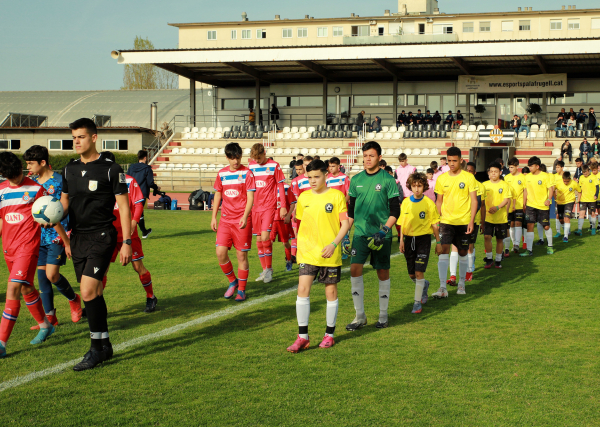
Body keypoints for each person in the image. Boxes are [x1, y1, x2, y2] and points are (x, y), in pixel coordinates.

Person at [60, 118, 132, 371]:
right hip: (78, 238)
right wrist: (51, 217)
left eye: (80, 136)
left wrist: (127, 242)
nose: (76, 141)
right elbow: (64, 203)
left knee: (88, 291)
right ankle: (105, 345)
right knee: (95, 292)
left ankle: (94, 350)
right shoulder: (68, 169)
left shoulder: (111, 169)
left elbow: (124, 208)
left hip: (102, 236)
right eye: (73, 137)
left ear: (93, 137)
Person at [0, 152, 62, 358]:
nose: (15, 178)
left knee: (13, 289)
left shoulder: (36, 189)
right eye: (10, 176)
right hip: (9, 248)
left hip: (28, 247)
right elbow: (3, 220)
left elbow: (52, 213)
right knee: (26, 287)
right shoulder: (1, 190)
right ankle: (45, 325)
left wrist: (64, 238)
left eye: (17, 174)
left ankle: (1, 343)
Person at [286, 160, 350, 353]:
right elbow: (300, 224)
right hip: (307, 253)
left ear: (325, 176)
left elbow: (345, 224)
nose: (313, 181)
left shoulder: (336, 196)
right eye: (310, 177)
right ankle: (302, 337)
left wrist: (333, 244)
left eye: (317, 177)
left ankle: (329, 334)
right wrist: (299, 244)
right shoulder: (304, 198)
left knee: (330, 292)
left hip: (329, 253)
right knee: (302, 289)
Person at [23, 146, 82, 330]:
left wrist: (66, 242)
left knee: (52, 274)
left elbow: (59, 211)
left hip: (56, 236)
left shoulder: (58, 182)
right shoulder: (31, 183)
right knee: (42, 278)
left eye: (31, 163)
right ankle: (50, 318)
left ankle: (74, 299)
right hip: (37, 237)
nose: (28, 168)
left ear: (42, 162)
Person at [344, 141, 400, 330]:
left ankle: (383, 316)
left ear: (379, 158)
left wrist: (384, 231)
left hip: (381, 235)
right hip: (360, 234)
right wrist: (344, 235)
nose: (367, 159)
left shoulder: (387, 180)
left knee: (382, 272)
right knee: (354, 269)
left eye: (371, 156)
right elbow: (350, 213)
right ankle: (360, 316)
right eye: (365, 155)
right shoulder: (356, 180)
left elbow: (395, 211)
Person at [103, 152, 158, 312]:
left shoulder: (127, 180)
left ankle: (150, 296)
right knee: (102, 268)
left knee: (138, 267)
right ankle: (96, 303)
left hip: (127, 233)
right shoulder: (100, 181)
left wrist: (133, 222)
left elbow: (139, 203)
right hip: (107, 233)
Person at [432, 146, 478, 298]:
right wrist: (439, 218)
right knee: (444, 251)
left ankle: (461, 284)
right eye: (449, 161)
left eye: (455, 161)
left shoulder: (468, 178)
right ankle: (442, 287)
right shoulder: (441, 178)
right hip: (446, 221)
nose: (452, 164)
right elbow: (439, 201)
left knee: (463, 252)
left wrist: (471, 220)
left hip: (464, 221)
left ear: (461, 160)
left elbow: (473, 200)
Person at [212, 143, 255, 302]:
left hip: (242, 220)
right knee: (220, 253)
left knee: (241, 255)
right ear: (227, 157)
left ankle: (242, 290)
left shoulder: (247, 173)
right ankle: (233, 281)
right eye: (232, 158)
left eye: (237, 157)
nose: (235, 161)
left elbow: (250, 197)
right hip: (225, 220)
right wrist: (213, 217)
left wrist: (245, 215)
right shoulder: (222, 174)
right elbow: (218, 195)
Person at [397, 172, 440, 314]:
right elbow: (402, 223)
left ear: (424, 187)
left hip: (423, 240)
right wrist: (401, 240)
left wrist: (438, 242)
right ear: (410, 186)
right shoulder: (406, 202)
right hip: (409, 240)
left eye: (420, 186)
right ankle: (424, 285)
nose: (417, 189)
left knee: (419, 271)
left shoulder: (428, 203)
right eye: (414, 186)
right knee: (411, 275)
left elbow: (434, 224)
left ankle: (417, 303)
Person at [248, 143, 286, 284]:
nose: (257, 161)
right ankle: (264, 270)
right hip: (255, 208)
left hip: (269, 207)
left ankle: (269, 269)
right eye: (255, 158)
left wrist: (282, 206)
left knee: (265, 237)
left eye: (258, 157)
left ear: (264, 153)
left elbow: (281, 185)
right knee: (258, 240)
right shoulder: (251, 166)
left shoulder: (274, 166)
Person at [520, 156, 555, 257]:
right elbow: (525, 190)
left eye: (532, 166)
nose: (530, 168)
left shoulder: (545, 176)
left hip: (542, 206)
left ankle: (550, 245)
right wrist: (524, 203)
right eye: (529, 166)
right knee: (530, 226)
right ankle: (529, 250)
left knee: (546, 226)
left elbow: (551, 189)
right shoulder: (527, 177)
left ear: (537, 166)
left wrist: (548, 199)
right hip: (530, 205)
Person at [481, 162, 511, 269]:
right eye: (491, 171)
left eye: (496, 171)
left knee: (499, 239)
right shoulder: (484, 185)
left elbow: (506, 199)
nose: (493, 173)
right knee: (487, 237)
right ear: (489, 173)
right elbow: (482, 203)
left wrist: (497, 207)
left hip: (500, 218)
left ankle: (498, 260)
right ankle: (489, 259)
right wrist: (481, 219)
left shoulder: (505, 185)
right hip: (488, 218)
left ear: (500, 172)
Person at [127, 150, 159, 238]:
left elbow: (126, 178)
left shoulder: (131, 167)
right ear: (145, 158)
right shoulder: (147, 168)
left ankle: (142, 231)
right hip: (141, 193)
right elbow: (150, 183)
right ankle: (142, 232)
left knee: (131, 212)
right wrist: (156, 187)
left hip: (130, 192)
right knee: (139, 213)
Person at [271, 183, 296, 272]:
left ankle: (289, 260)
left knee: (285, 243)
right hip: (270, 219)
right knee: (268, 242)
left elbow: (292, 203)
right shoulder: (268, 186)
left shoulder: (286, 187)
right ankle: (267, 268)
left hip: (282, 219)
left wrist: (289, 215)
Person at [505, 157, 525, 253]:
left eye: (512, 167)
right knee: (511, 224)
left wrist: (525, 203)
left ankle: (517, 244)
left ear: (517, 167)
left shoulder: (522, 177)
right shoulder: (506, 178)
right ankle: (514, 244)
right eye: (509, 167)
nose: (510, 169)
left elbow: (525, 191)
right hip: (509, 205)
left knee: (518, 223)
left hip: (519, 204)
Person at [554, 171, 580, 243]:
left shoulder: (574, 183)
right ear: (562, 178)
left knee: (567, 218)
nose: (566, 183)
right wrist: (555, 197)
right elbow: (553, 190)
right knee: (561, 219)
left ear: (570, 179)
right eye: (564, 181)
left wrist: (578, 199)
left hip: (569, 202)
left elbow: (579, 191)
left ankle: (566, 236)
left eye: (567, 181)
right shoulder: (558, 182)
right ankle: (567, 230)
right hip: (560, 202)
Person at [575, 165, 599, 236]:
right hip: (583, 199)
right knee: (581, 214)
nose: (584, 174)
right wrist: (578, 198)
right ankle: (579, 230)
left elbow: (597, 187)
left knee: (593, 214)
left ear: (589, 171)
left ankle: (593, 229)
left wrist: (596, 195)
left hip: (592, 199)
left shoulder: (593, 177)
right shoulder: (581, 177)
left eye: (586, 172)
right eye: (583, 173)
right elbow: (579, 189)